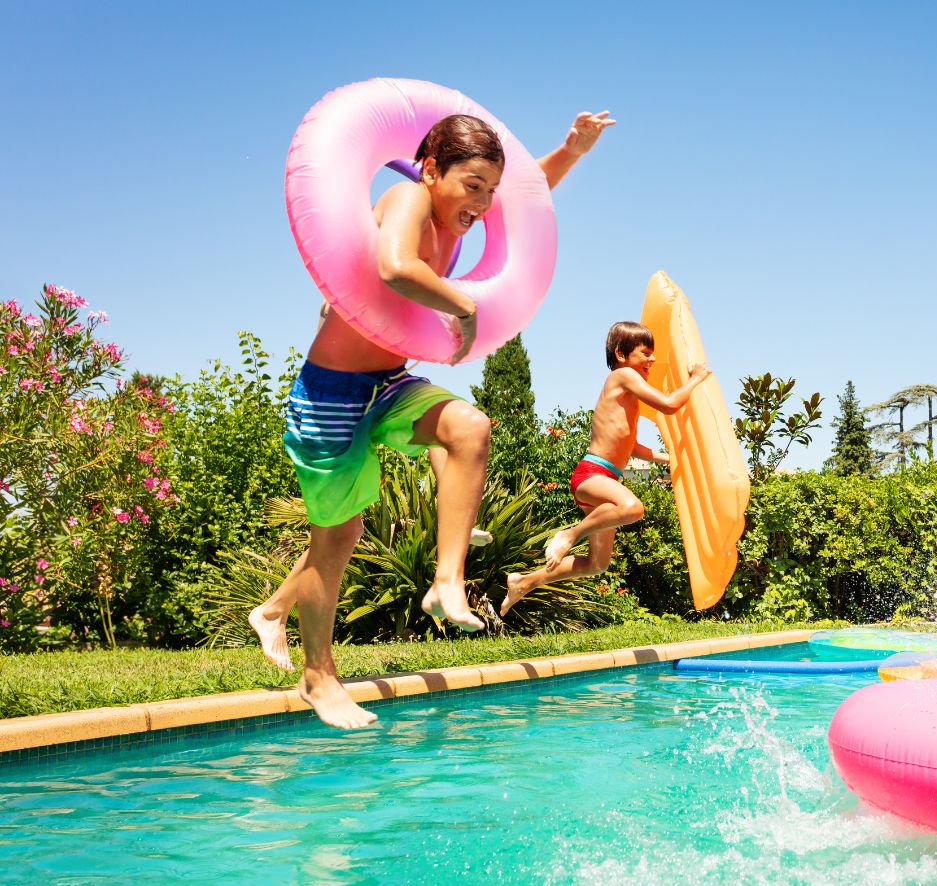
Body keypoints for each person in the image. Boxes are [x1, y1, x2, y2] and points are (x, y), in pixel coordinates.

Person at [250, 109, 615, 729]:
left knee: (468, 427)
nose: (483, 202)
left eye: (489, 189)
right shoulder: (408, 200)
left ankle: (447, 580)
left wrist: (571, 151)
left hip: (388, 383)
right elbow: (395, 267)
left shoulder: (459, 215)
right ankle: (317, 674)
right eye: (472, 185)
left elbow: (526, 200)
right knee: (338, 537)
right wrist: (463, 306)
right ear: (430, 170)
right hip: (331, 393)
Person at [500, 321, 710, 615]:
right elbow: (669, 404)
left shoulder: (628, 392)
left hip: (605, 478)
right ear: (622, 355)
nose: (652, 359)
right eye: (645, 353)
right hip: (592, 474)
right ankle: (569, 535)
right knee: (633, 508)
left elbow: (632, 446)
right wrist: (696, 379)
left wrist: (671, 459)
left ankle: (524, 582)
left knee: (596, 564)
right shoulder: (624, 376)